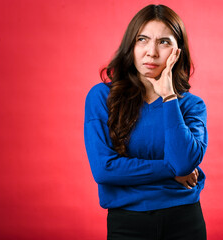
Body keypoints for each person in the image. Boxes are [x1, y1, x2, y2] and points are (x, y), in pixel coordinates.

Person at [84, 4, 207, 240]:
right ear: (131, 45)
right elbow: (104, 169)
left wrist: (169, 97)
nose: (151, 51)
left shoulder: (192, 105)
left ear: (177, 51)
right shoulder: (102, 97)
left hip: (184, 220)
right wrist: (169, 170)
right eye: (142, 39)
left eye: (164, 42)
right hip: (127, 222)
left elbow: (183, 164)